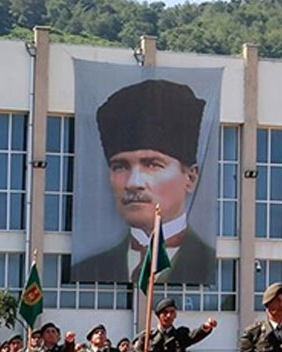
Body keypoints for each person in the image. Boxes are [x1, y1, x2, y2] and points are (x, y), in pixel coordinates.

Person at [76, 80, 215, 283]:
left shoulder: (209, 262)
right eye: (120, 166)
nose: (133, 183)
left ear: (191, 177)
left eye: (152, 165)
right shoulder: (90, 269)